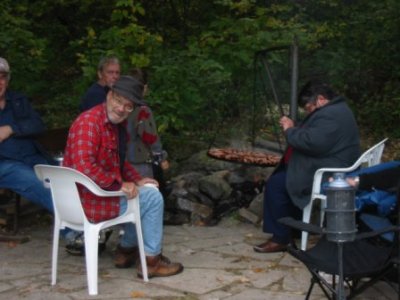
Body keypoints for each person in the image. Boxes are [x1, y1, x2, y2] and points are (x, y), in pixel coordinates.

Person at [63, 75, 183, 277]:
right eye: (118, 100)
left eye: (128, 106)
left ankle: (125, 252)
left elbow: (120, 161)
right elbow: (84, 167)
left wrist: (137, 179)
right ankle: (151, 261)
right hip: (86, 201)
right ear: (109, 95)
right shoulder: (89, 123)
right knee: (152, 199)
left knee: (146, 190)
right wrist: (119, 184)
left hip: (96, 195)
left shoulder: (115, 126)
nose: (121, 108)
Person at [253, 80, 360, 253]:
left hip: (331, 171)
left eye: (309, 107)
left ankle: (280, 238)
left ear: (321, 99)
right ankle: (294, 228)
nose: (308, 111)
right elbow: (317, 136)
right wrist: (296, 128)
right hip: (332, 163)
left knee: (276, 185)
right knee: (286, 177)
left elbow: (312, 143)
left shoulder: (331, 114)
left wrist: (289, 130)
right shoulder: (337, 110)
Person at [0, 57, 54, 213]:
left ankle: (76, 225)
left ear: (7, 80)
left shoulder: (18, 100)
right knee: (39, 184)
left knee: (66, 179)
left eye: (2, 77)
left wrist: (10, 128)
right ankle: (76, 228)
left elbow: (37, 125)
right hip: (5, 165)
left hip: (32, 158)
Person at [127, 68, 169, 195]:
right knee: (146, 195)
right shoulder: (143, 111)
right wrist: (162, 158)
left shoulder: (121, 108)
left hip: (123, 163)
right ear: (145, 88)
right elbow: (150, 138)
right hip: (140, 163)